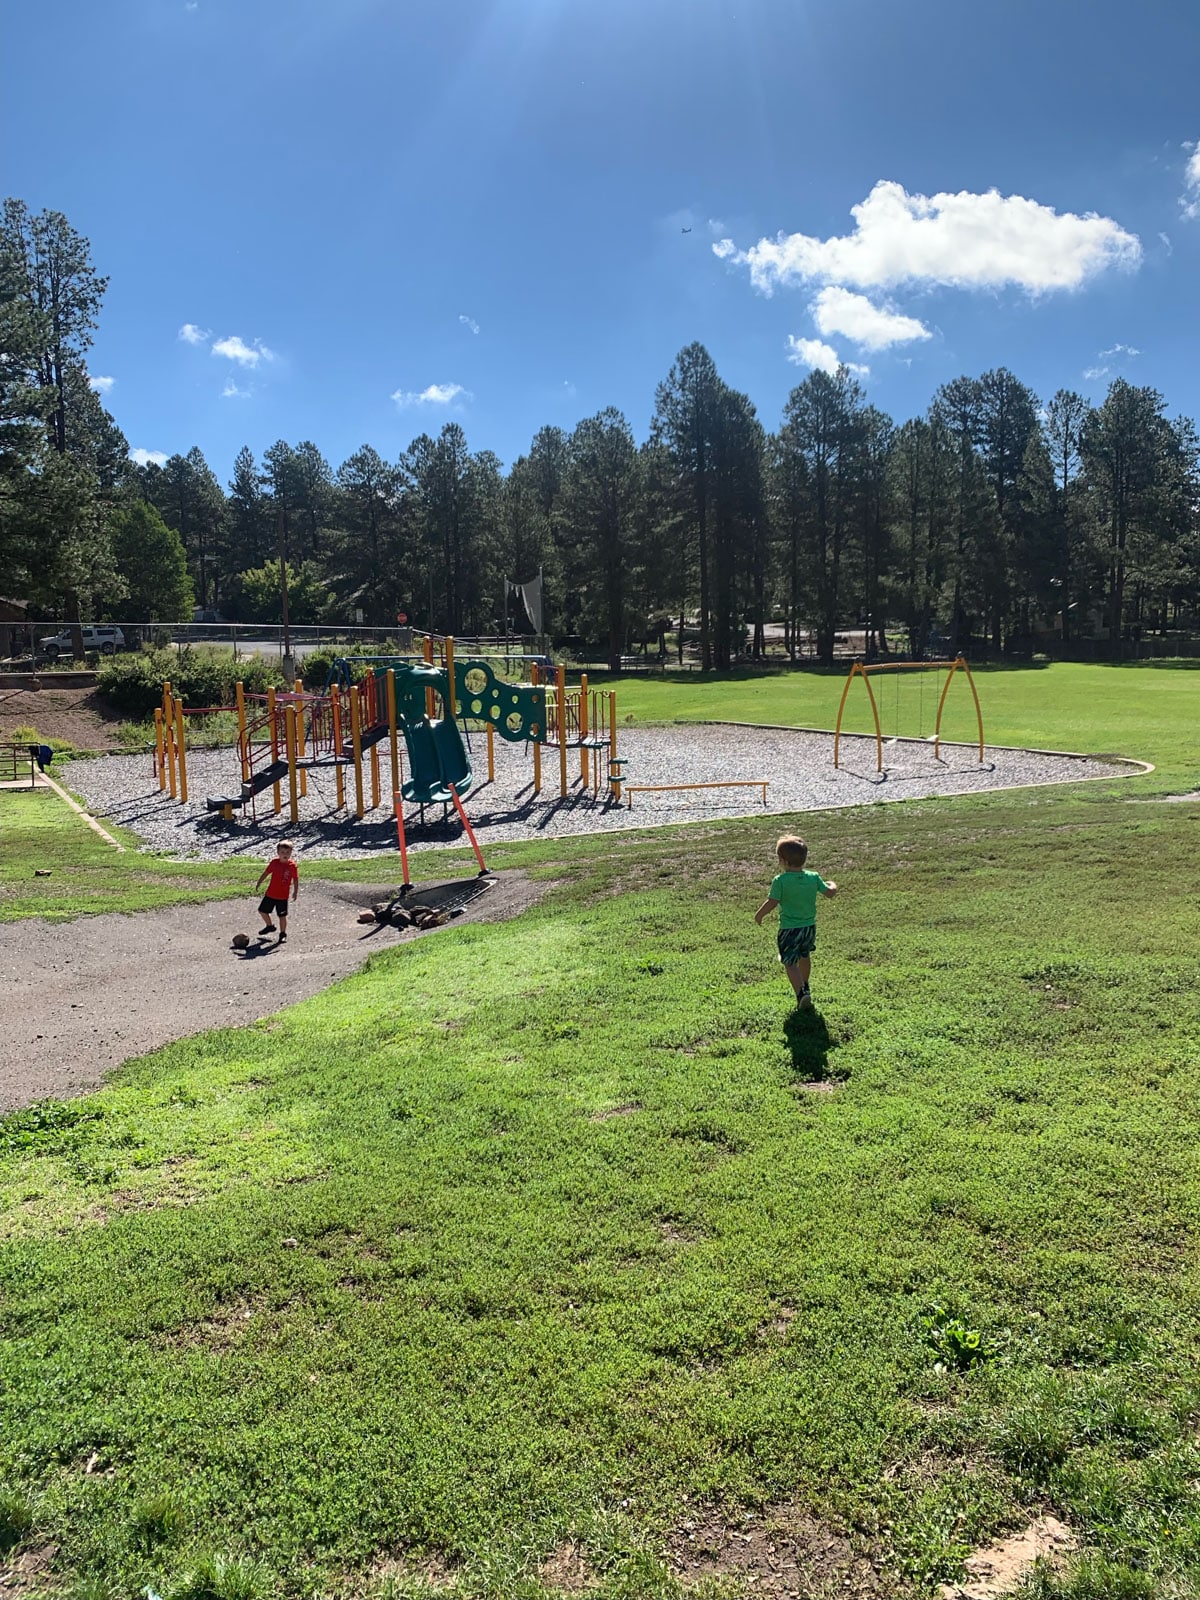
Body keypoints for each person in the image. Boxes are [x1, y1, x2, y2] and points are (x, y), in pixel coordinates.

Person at [754, 835, 837, 1009]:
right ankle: (804, 984)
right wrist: (833, 884)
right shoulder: (813, 877)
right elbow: (829, 893)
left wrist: (759, 915)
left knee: (790, 962)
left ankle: (801, 994)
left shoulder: (780, 881)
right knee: (804, 956)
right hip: (809, 928)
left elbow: (772, 902)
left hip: (789, 930)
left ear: (782, 861)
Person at [255, 841, 299, 942]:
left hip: (282, 896)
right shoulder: (274, 862)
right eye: (282, 852)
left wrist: (295, 892)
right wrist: (259, 882)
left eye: (288, 852)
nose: (285, 854)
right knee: (262, 911)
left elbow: (295, 879)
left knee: (282, 916)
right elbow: (266, 872)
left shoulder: (292, 866)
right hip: (270, 894)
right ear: (278, 852)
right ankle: (269, 926)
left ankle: (283, 934)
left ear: (291, 853)